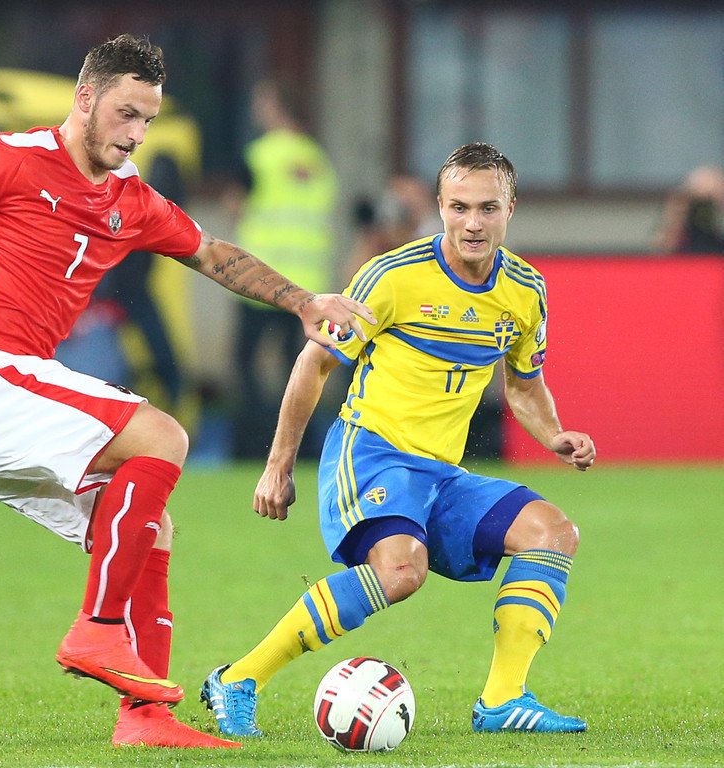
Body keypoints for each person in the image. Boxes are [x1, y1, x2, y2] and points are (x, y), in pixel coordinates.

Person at [0, 34, 374, 750]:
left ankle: (144, 720)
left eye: (148, 119)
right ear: (85, 98)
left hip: (5, 398)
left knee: (149, 527)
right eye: (125, 113)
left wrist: (301, 301)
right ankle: (98, 628)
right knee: (163, 437)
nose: (136, 133)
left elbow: (210, 252)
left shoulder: (129, 198)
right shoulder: (9, 159)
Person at [200, 142, 596, 737]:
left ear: (510, 208)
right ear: (439, 206)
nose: (472, 223)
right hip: (372, 452)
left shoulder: (525, 290)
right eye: (459, 207)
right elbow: (314, 363)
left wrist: (555, 434)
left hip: (442, 473)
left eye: (488, 208)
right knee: (401, 572)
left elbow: (523, 385)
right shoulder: (393, 276)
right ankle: (237, 680)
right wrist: (278, 466)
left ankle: (502, 701)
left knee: (553, 533)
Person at [227, 78, 340, 458]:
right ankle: (303, 445)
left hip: (262, 280)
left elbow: (235, 206)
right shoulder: (318, 159)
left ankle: (254, 441)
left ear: (275, 106)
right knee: (303, 365)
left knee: (245, 362)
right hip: (309, 284)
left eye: (262, 102)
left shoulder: (259, 155)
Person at [653, 165, 724, 254]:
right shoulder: (678, 238)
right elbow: (662, 249)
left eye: (707, 204)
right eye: (696, 205)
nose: (703, 211)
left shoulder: (716, 240)